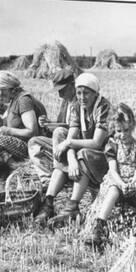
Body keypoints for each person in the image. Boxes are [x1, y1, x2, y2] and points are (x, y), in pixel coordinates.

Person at [36, 72, 111, 228]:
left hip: (103, 157)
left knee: (81, 152)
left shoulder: (103, 107)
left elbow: (97, 143)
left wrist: (70, 144)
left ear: (95, 93)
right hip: (82, 151)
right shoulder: (77, 107)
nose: (82, 97)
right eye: (79, 93)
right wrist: (71, 160)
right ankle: (48, 202)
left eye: (86, 93)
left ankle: (73, 205)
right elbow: (70, 136)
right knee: (59, 133)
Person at [85, 103, 136, 248]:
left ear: (133, 125)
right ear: (114, 130)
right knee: (113, 191)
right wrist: (122, 184)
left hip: (134, 179)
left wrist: (133, 182)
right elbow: (113, 170)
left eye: (126, 130)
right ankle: (99, 226)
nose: (123, 135)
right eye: (119, 131)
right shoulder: (112, 145)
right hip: (117, 180)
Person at [0, 70, 47, 171]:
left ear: (7, 89)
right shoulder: (13, 101)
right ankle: (9, 169)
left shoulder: (23, 100)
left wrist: (9, 131)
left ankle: (16, 168)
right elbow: (0, 126)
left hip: (31, 145)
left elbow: (32, 131)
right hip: (20, 143)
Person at [28, 69, 78, 176]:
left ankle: (60, 172)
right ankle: (46, 176)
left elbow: (76, 128)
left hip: (75, 142)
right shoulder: (66, 101)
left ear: (72, 85)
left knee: (59, 132)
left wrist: (57, 127)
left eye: (62, 90)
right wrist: (48, 123)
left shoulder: (81, 101)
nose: (60, 95)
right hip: (61, 141)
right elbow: (62, 123)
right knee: (33, 142)